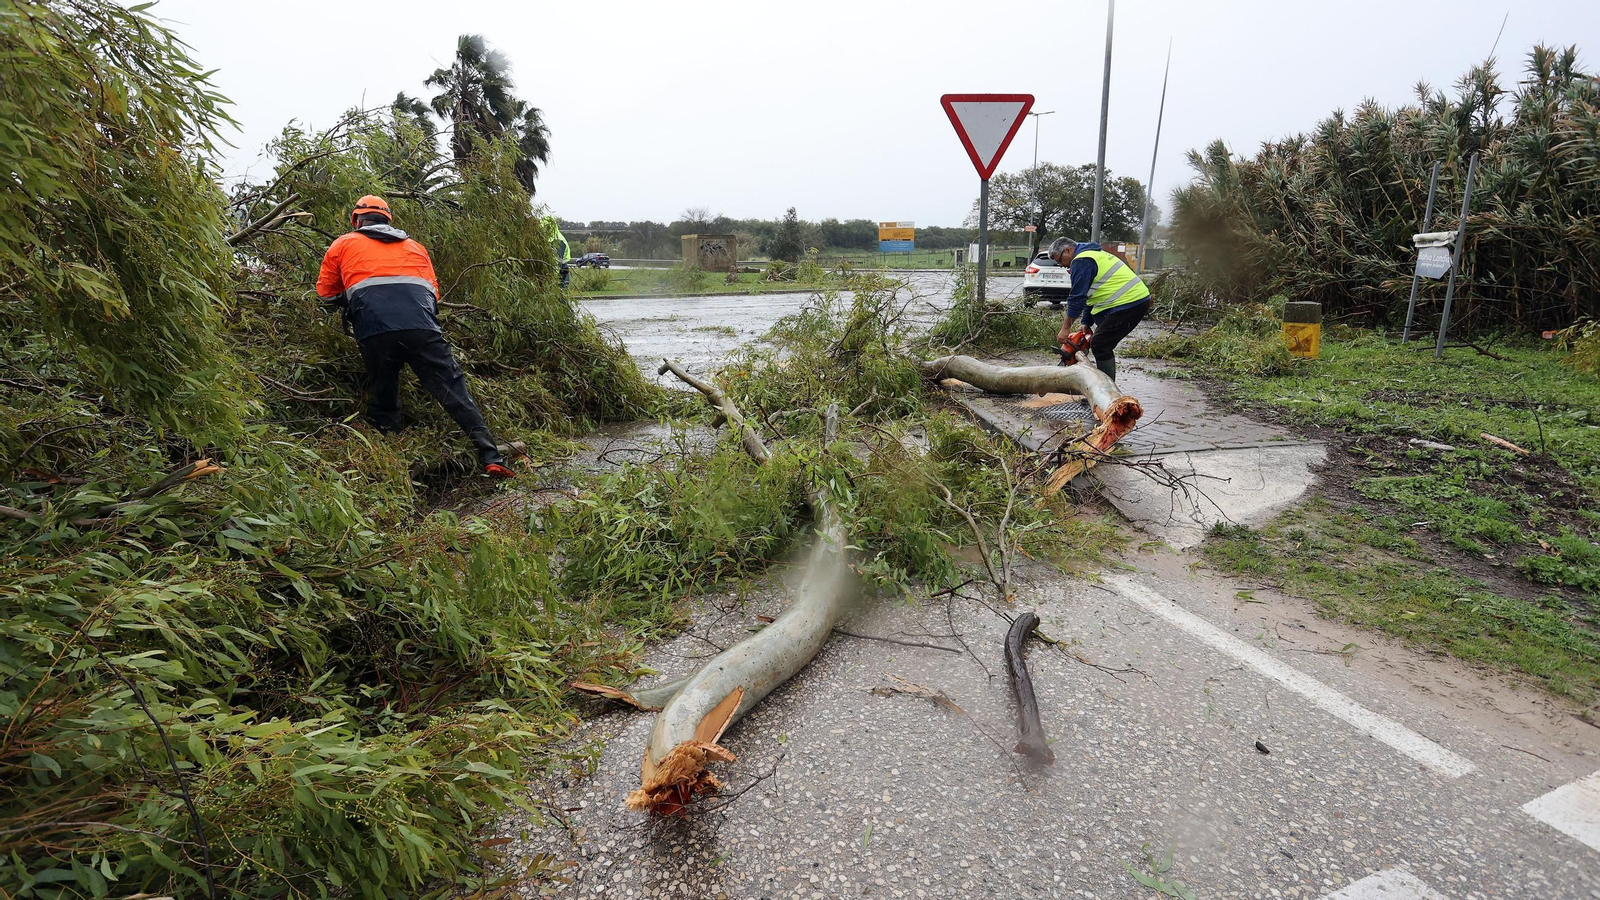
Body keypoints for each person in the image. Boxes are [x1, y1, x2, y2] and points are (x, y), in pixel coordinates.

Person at [316, 195, 515, 478]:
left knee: (385, 394)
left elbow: (326, 293)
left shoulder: (343, 243)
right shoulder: (415, 247)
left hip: (376, 330)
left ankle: (396, 467)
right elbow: (433, 295)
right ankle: (491, 457)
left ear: (357, 221)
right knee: (454, 392)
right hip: (423, 329)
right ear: (389, 221)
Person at [1049, 236, 1151, 382]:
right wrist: (1086, 321)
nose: (1060, 264)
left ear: (1068, 250)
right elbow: (1090, 294)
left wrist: (1065, 329)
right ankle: (1105, 389)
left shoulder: (1082, 260)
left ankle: (1107, 393)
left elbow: (1076, 298)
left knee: (1100, 344)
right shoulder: (1091, 255)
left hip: (1129, 302)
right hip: (1130, 301)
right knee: (1100, 343)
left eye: (1059, 260)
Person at [542, 215, 571, 288]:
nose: (543, 230)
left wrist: (552, 280)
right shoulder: (547, 239)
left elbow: (557, 262)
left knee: (560, 297)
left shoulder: (558, 241)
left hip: (561, 274)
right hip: (553, 274)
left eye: (545, 227)